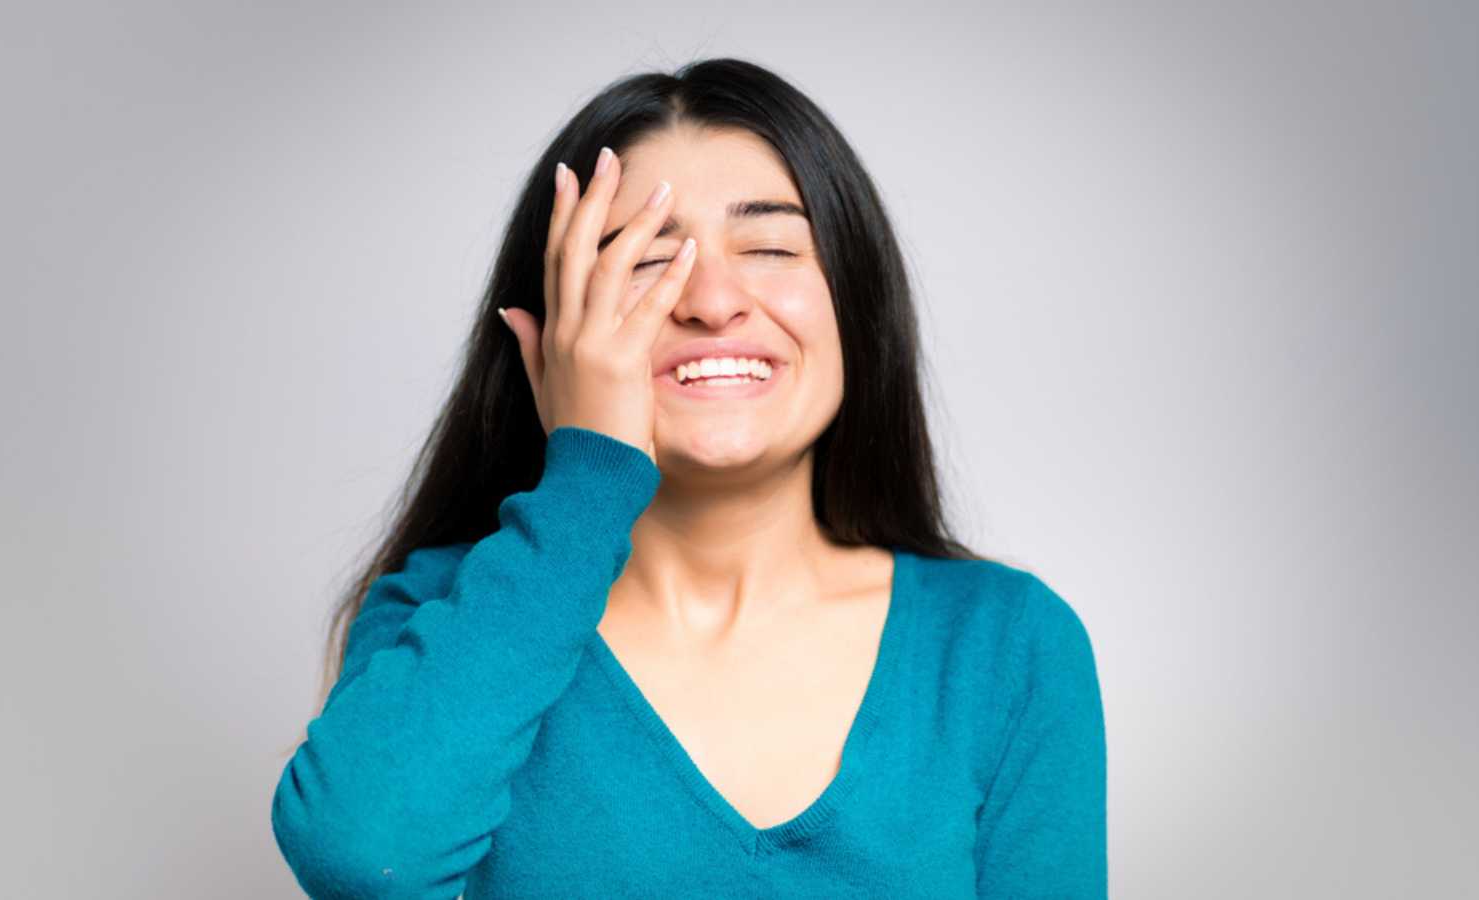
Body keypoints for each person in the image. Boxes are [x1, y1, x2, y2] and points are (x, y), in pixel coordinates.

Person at [270, 57, 1106, 898]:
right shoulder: (447, 616)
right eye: (641, 260)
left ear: (858, 303)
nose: (711, 301)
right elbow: (361, 858)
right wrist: (588, 472)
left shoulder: (1006, 646)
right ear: (553, 336)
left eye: (772, 245)